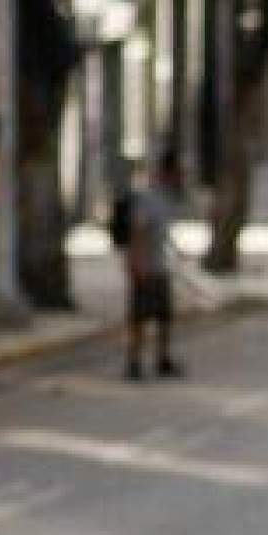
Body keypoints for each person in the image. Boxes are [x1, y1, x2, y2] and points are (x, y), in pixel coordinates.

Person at [113, 152, 184, 380]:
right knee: (139, 317)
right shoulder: (150, 199)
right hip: (147, 267)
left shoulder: (164, 199)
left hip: (159, 266)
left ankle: (162, 358)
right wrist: (136, 264)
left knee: (163, 316)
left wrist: (177, 252)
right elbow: (138, 231)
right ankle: (133, 361)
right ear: (167, 174)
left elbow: (162, 232)